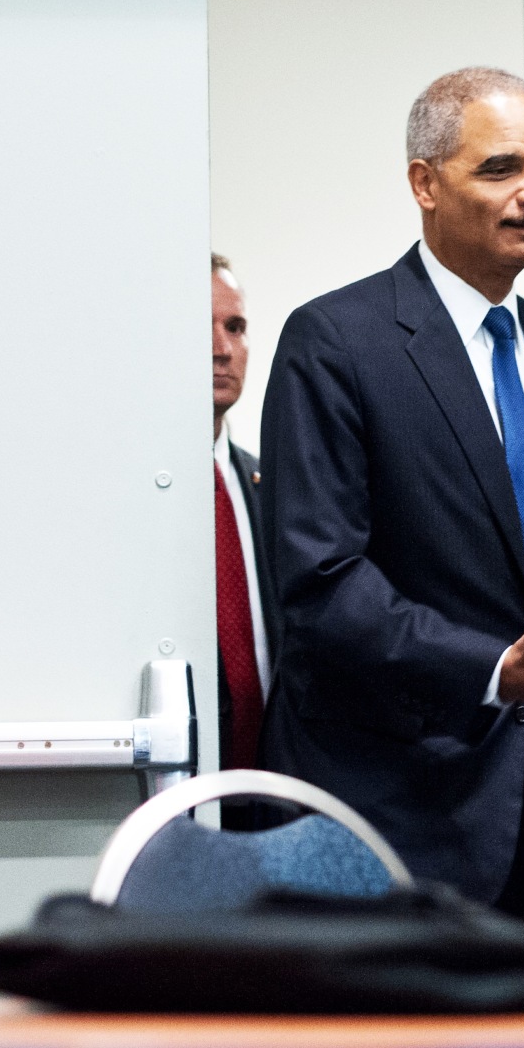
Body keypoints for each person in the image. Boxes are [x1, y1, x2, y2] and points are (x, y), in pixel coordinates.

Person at [258, 66, 524, 917]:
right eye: (501, 168)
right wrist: (495, 672)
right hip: (385, 817)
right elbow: (321, 584)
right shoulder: (336, 341)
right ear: (425, 184)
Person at [212, 254, 277, 787]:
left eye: (235, 327)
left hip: (275, 783)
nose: (222, 349)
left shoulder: (270, 486)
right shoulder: (134, 497)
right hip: (173, 790)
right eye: (201, 328)